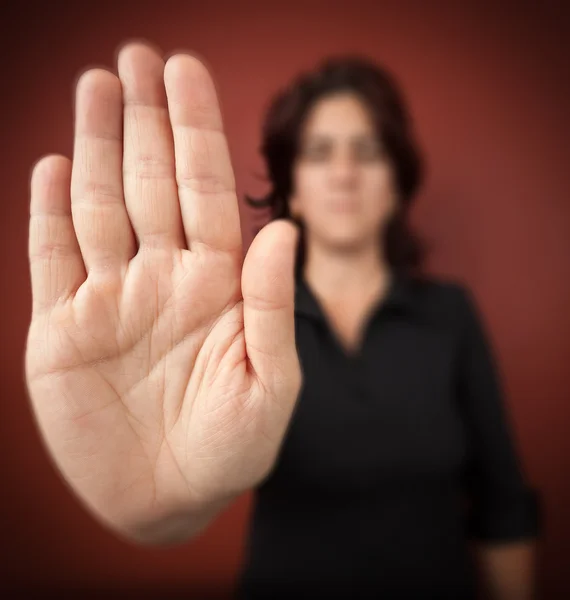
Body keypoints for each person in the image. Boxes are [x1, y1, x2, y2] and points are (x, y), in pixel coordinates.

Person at [24, 41, 539, 599]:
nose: (344, 172)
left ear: (396, 183)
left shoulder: (449, 314)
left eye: (366, 151)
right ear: (291, 185)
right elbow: (190, 501)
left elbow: (502, 500)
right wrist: (158, 508)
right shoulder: (234, 321)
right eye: (319, 152)